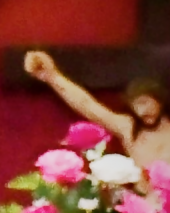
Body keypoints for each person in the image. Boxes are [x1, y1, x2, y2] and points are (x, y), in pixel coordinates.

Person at [24, 52, 170, 169]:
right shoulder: (128, 128)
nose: (141, 111)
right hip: (143, 202)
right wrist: (52, 76)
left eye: (145, 103)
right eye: (135, 105)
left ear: (160, 100)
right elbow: (86, 104)